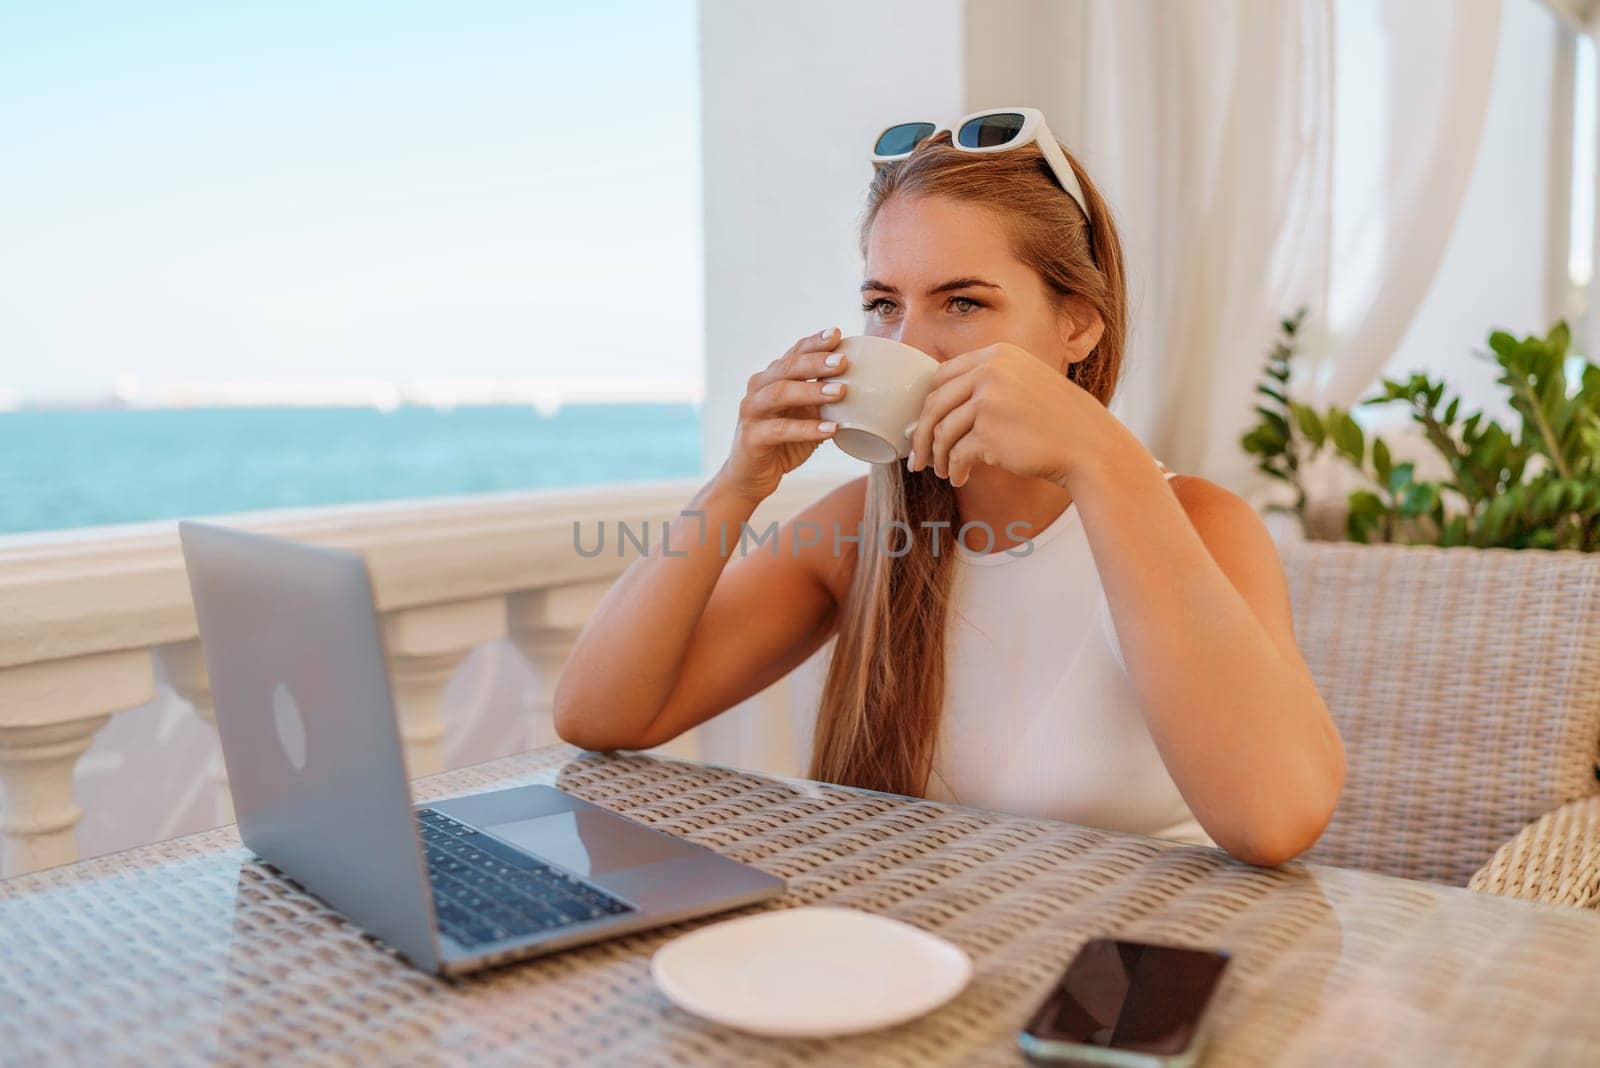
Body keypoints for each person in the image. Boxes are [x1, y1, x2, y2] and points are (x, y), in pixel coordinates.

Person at [553, 118, 1345, 868]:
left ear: (1078, 326)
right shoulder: (864, 533)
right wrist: (737, 484)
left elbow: (1274, 821)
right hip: (927, 968)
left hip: (1129, 980)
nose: (909, 345)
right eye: (883, 305)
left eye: (963, 302)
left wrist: (1101, 457)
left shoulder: (1200, 523)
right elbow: (600, 715)